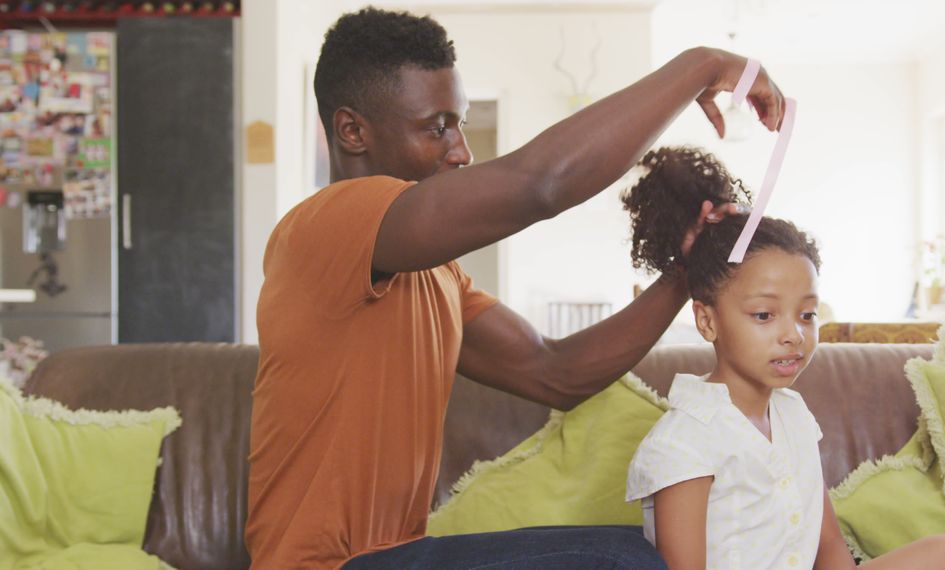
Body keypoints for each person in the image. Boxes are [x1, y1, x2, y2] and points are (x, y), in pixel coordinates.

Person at [246, 6, 788, 570]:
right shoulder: (324, 226)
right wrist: (705, 64)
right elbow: (539, 184)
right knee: (621, 563)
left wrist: (682, 274)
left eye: (459, 123)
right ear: (353, 131)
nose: (461, 150)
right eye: (437, 127)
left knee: (637, 553)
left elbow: (556, 371)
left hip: (396, 557)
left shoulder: (436, 274)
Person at [624, 147, 945, 570]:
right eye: (764, 315)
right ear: (706, 321)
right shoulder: (684, 440)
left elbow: (828, 544)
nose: (794, 335)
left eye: (807, 315)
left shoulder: (792, 414)